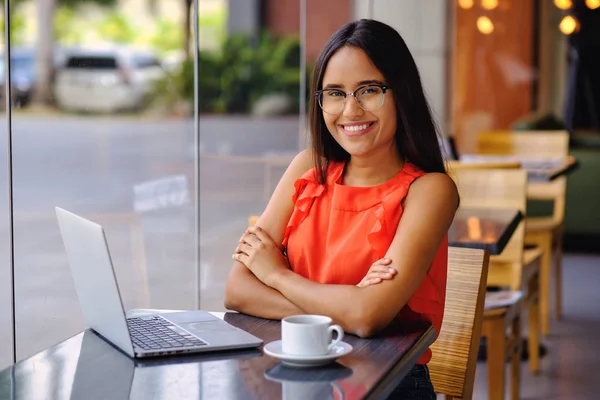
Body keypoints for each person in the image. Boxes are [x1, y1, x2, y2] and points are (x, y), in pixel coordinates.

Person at [224, 19, 459, 399]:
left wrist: (277, 275)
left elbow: (367, 317)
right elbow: (236, 289)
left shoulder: (430, 191)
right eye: (334, 93)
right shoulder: (307, 169)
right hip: (294, 370)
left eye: (368, 90)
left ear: (401, 93)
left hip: (390, 384)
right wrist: (346, 304)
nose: (350, 110)